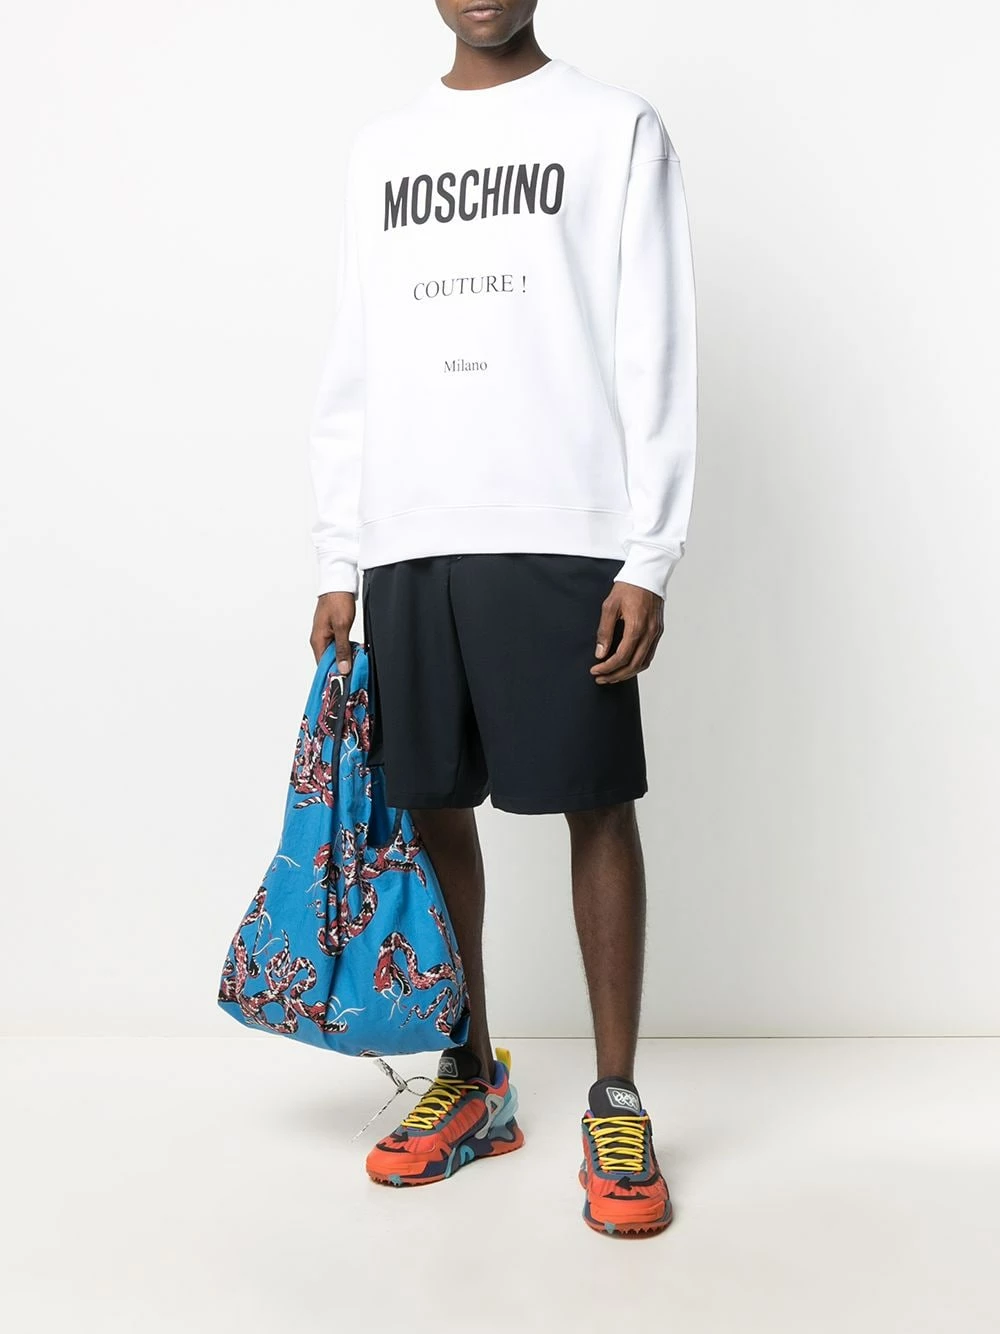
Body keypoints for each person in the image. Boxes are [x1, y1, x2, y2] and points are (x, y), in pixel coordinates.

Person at [307, 0, 697, 1237]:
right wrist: (340, 548)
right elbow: (357, 351)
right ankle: (471, 1076)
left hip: (564, 519)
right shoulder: (382, 148)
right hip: (410, 525)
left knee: (595, 798)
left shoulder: (612, 128)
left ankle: (616, 1096)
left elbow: (654, 340)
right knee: (433, 806)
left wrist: (650, 548)